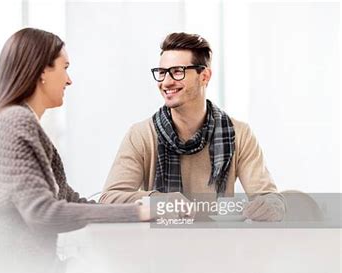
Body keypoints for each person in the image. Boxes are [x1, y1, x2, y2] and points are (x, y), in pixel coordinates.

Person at [0, 28, 150, 266]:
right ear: (42, 71)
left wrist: (142, 209)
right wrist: (140, 213)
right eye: (65, 67)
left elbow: (69, 199)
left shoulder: (19, 123)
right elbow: (44, 214)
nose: (69, 80)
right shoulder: (15, 122)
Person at [99, 32, 284, 221]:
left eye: (177, 71)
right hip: (157, 246)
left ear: (204, 76)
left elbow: (270, 197)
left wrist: (270, 206)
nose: (166, 82)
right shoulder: (140, 134)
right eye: (162, 73)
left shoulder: (239, 133)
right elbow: (109, 200)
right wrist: (160, 201)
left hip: (219, 245)